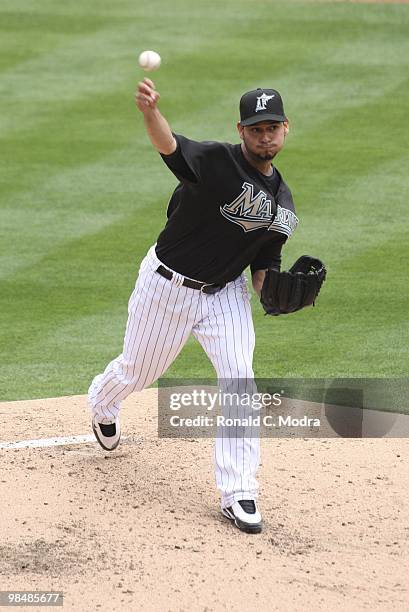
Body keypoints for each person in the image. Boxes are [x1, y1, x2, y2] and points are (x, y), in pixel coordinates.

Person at [88, 78, 298, 534]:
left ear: (286, 130)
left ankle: (239, 491)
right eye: (256, 128)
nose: (265, 136)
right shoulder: (216, 161)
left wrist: (277, 295)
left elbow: (263, 268)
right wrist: (149, 112)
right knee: (137, 372)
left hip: (225, 295)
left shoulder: (283, 205)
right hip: (166, 287)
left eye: (272, 127)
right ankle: (103, 402)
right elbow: (170, 146)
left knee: (240, 380)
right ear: (241, 131)